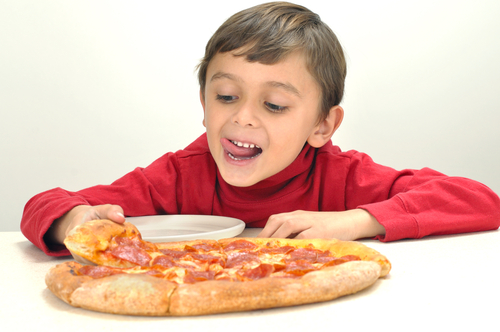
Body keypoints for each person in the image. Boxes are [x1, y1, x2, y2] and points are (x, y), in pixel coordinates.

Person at [21, 2, 500, 257]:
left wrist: (354, 220)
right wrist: (74, 222)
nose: (242, 117)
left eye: (273, 104)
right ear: (204, 106)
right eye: (226, 97)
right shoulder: (179, 176)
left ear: (322, 125)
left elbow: (479, 199)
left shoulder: (341, 177)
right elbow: (47, 204)